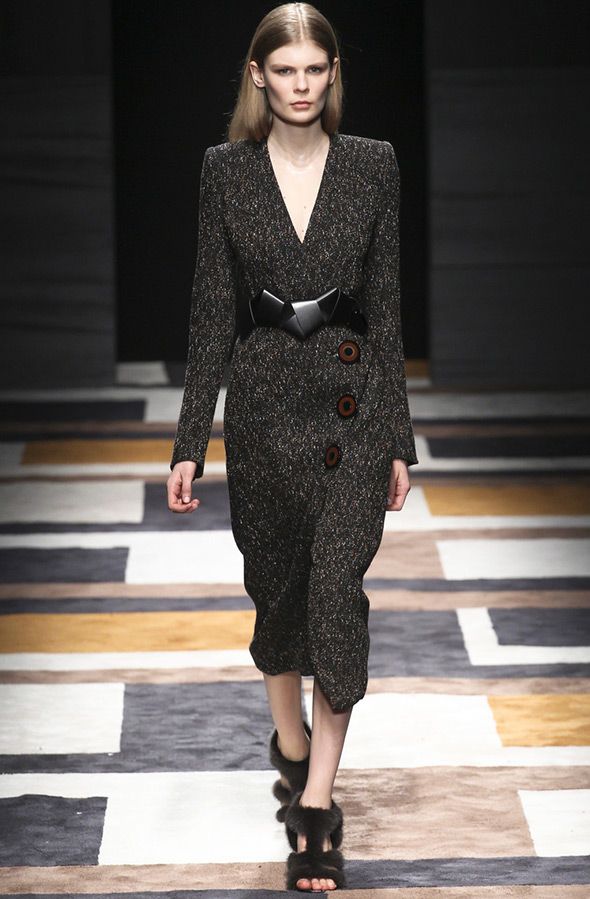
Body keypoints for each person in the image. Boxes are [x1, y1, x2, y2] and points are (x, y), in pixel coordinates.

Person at [167, 2, 417, 891]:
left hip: (352, 411)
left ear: (332, 74)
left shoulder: (373, 165)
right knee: (276, 596)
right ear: (258, 75)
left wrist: (398, 438)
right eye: (286, 70)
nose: (301, 86)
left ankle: (315, 808)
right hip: (265, 410)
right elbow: (210, 310)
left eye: (316, 69)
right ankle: (290, 740)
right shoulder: (225, 171)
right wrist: (189, 440)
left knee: (335, 595)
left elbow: (386, 307)